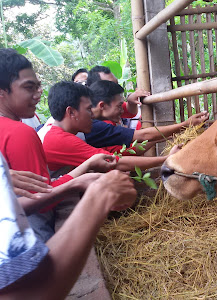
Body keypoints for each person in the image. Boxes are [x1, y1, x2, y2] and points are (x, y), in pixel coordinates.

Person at [0, 48, 117, 242]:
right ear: (2, 92)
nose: (38, 93)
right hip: (29, 235)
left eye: (38, 86)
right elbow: (40, 199)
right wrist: (78, 181)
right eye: (29, 87)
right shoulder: (19, 132)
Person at [0, 151, 136, 299]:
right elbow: (26, 294)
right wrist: (100, 197)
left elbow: (15, 206)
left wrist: (76, 183)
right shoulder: (23, 134)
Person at [41, 81, 181, 173]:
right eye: (89, 109)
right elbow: (115, 161)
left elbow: (119, 153)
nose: (92, 115)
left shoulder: (63, 129)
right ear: (71, 112)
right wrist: (166, 158)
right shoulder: (62, 139)